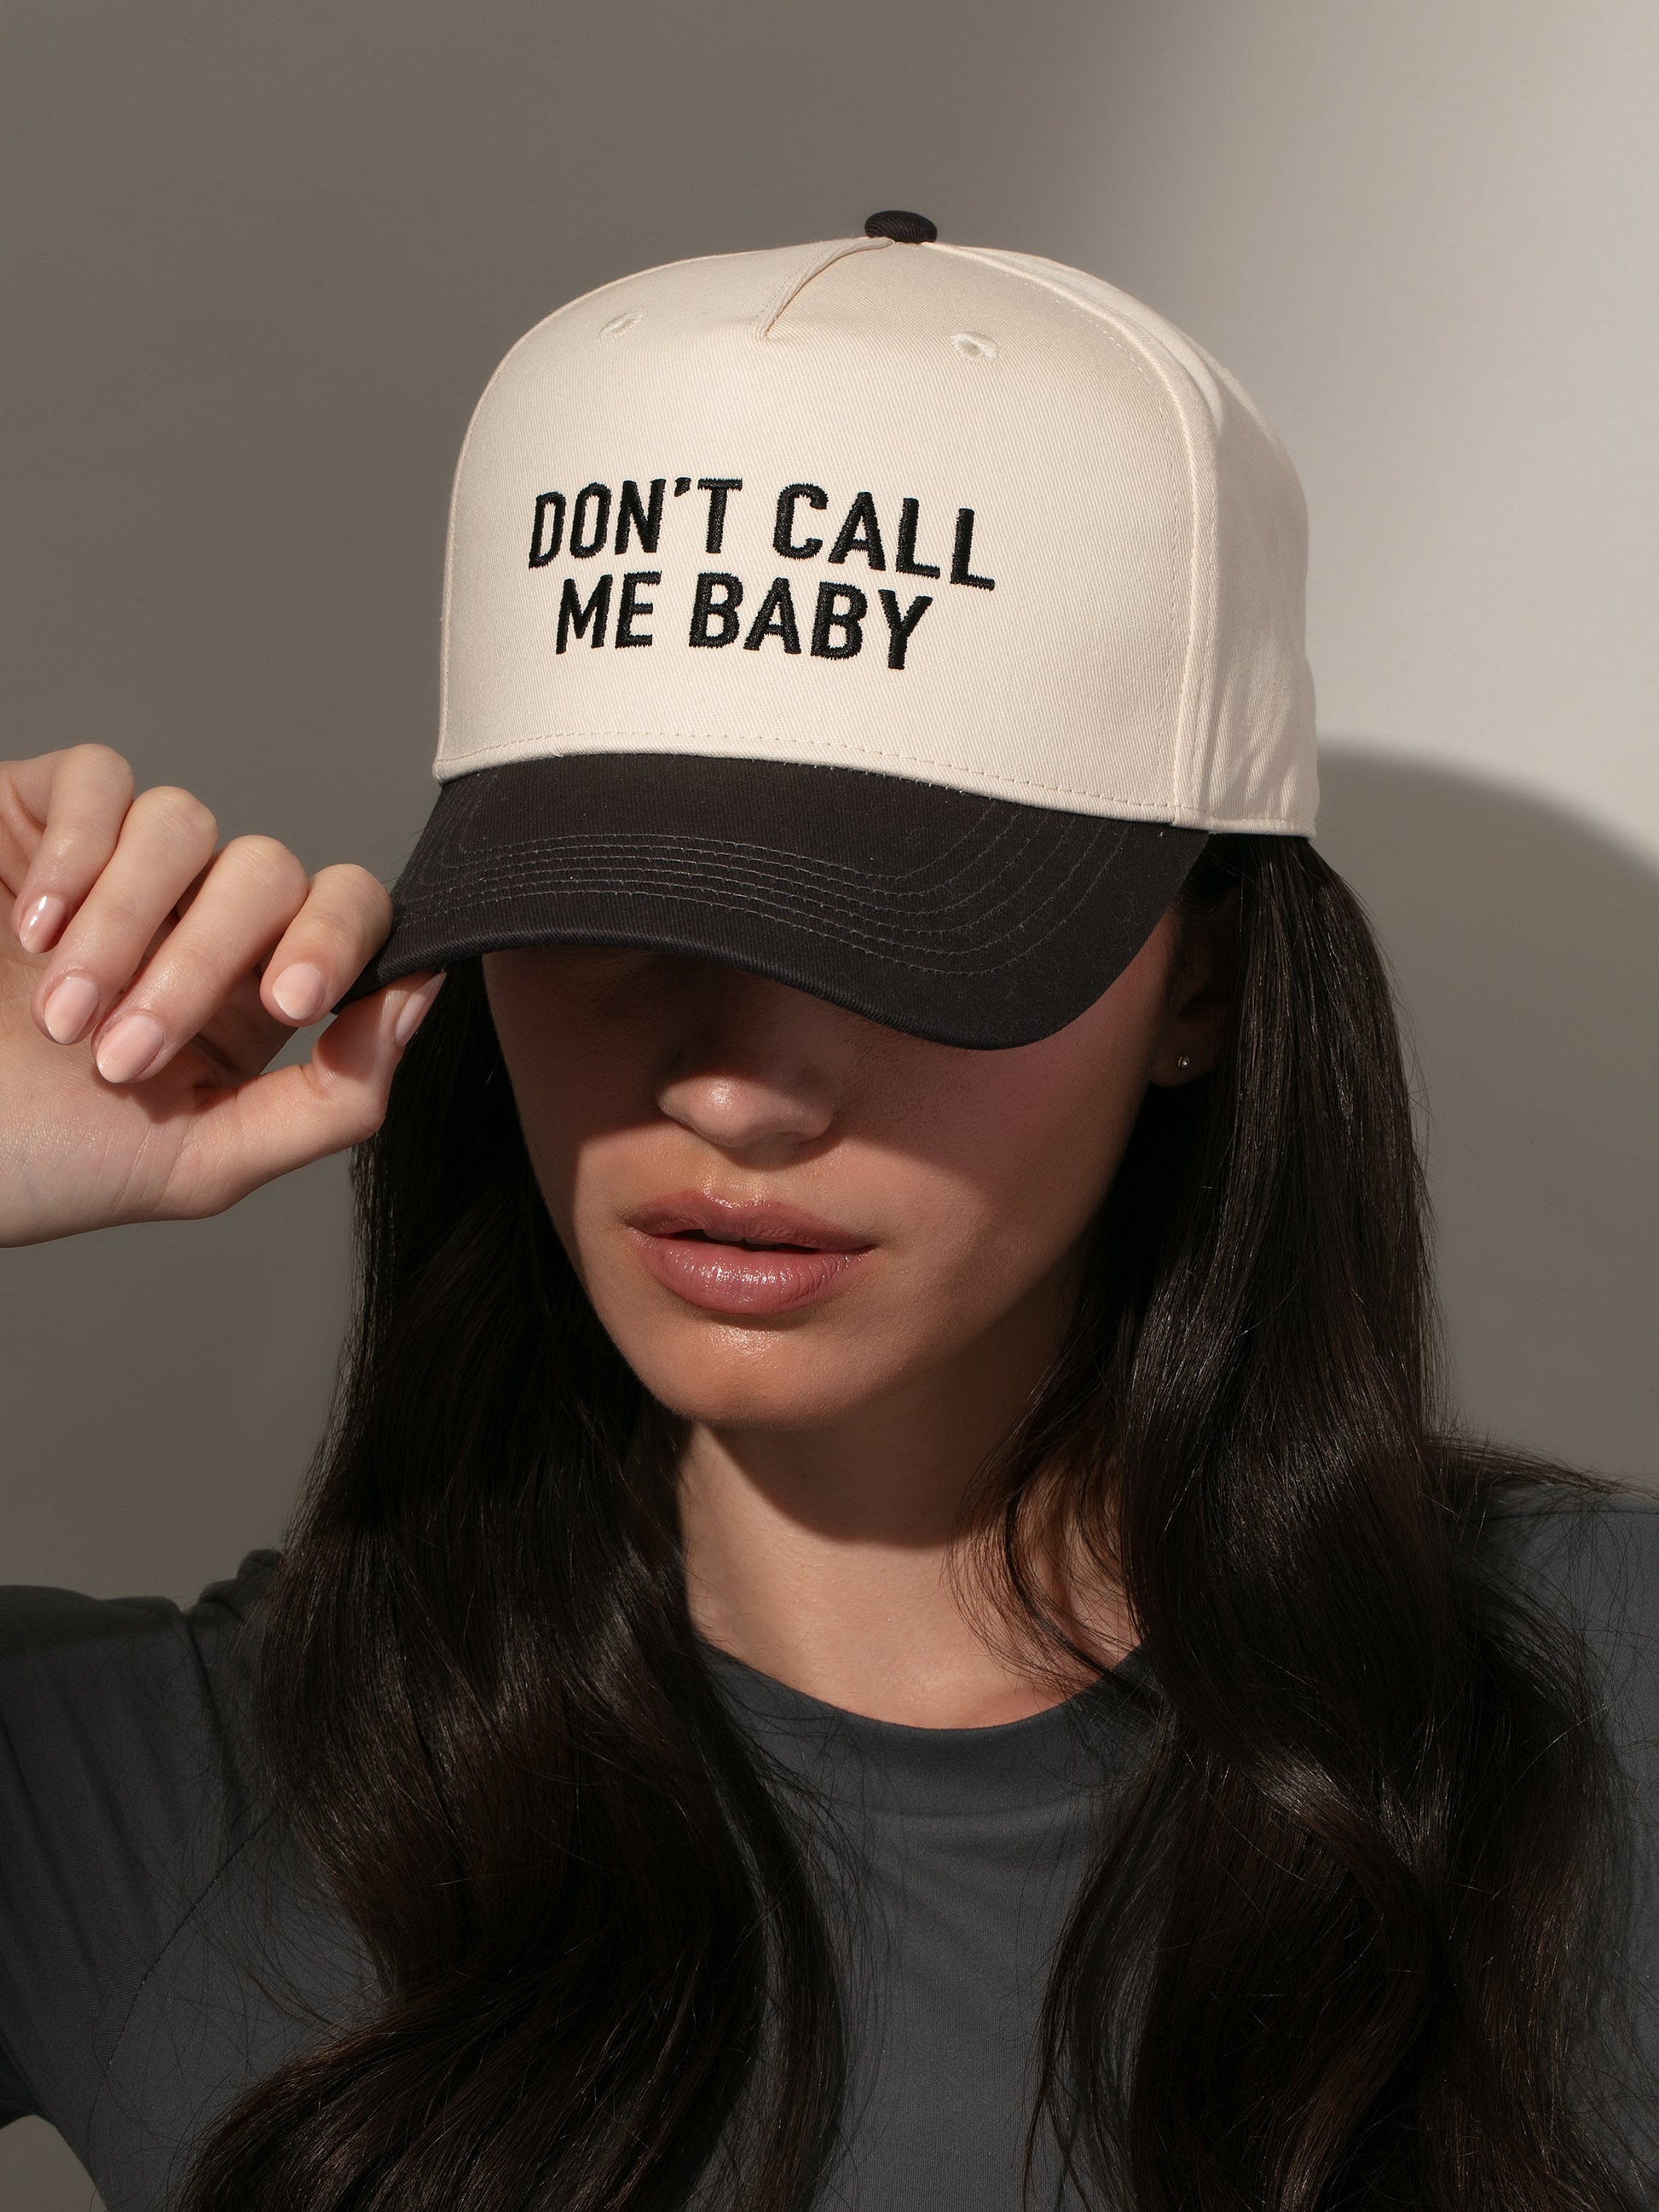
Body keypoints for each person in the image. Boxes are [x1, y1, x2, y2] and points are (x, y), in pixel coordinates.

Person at [1, 211, 1655, 2212]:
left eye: (900, 940)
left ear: (1200, 978)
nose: (728, 1083)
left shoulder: (1601, 1710)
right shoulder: (146, 1798)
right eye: (602, 915)